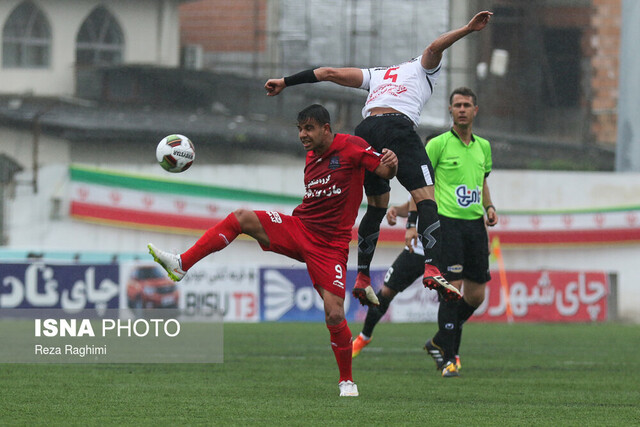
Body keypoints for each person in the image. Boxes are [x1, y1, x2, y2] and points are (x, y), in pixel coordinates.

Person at [148, 104, 398, 397]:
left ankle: (346, 381)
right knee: (241, 217)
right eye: (300, 129)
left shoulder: (352, 147)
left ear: (326, 129)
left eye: (308, 129)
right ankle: (182, 264)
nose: (303, 135)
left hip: (330, 246)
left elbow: (383, 170)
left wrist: (392, 162)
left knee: (333, 314)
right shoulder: (310, 156)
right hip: (299, 228)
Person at [265, 11, 493, 308]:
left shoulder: (376, 75)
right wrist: (467, 28)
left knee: (375, 207)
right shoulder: (423, 69)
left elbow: (328, 73)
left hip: (365, 131)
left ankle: (362, 277)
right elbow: (435, 48)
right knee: (427, 199)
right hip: (397, 127)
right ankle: (433, 267)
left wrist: (285, 81)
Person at [351, 87, 498, 378]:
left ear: (475, 110)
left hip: (475, 227)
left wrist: (489, 206)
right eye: (457, 105)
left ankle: (441, 340)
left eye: (467, 104)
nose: (462, 109)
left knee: (477, 296)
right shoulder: (438, 145)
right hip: (444, 228)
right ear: (450, 110)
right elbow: (420, 187)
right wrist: (409, 224)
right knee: (443, 291)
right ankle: (447, 357)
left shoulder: (484, 147)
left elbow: (481, 182)